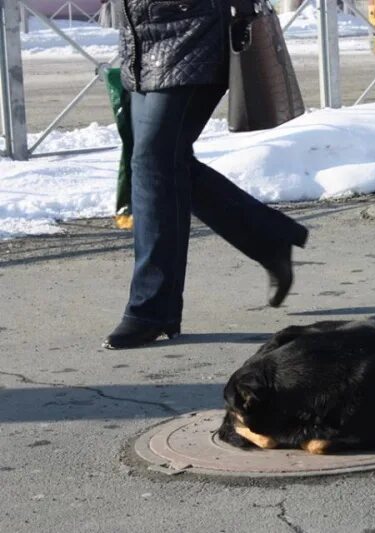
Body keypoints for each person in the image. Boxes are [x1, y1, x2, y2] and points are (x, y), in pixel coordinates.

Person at [104, 0, 308, 349]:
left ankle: (150, 309)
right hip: (139, 34)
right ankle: (269, 238)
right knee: (162, 165)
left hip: (192, 26)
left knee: (154, 163)